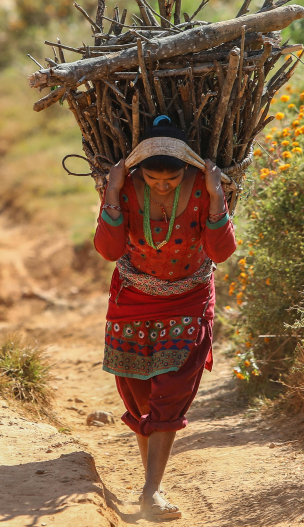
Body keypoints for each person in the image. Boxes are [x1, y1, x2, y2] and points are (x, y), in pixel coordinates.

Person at [93, 116, 236, 521]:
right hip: (133, 299)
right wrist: (115, 192)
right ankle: (151, 482)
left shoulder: (205, 191)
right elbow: (108, 249)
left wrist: (216, 195)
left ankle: (150, 491)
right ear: (139, 172)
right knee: (139, 393)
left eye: (170, 180)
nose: (161, 186)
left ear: (186, 170)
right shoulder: (124, 189)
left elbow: (221, 252)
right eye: (152, 178)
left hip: (188, 299)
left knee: (171, 389)